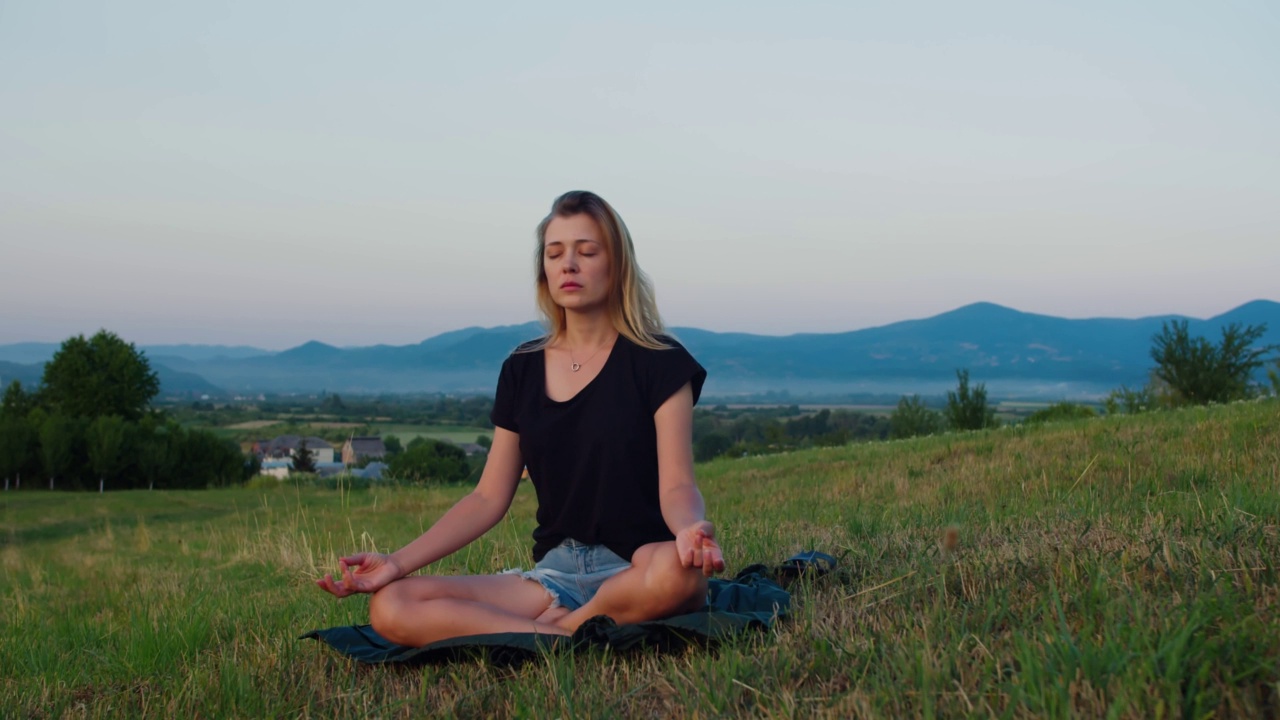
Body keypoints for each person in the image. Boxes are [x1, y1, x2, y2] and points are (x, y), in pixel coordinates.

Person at [316, 190, 725, 647]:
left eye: (587, 251)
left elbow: (676, 484)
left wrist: (689, 528)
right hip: (551, 579)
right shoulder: (521, 368)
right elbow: (487, 498)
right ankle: (562, 631)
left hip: (638, 567)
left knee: (681, 575)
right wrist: (396, 563)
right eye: (555, 253)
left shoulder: (660, 361)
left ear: (618, 265)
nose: (568, 264)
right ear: (544, 270)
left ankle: (557, 633)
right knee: (391, 606)